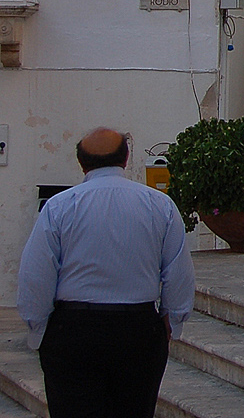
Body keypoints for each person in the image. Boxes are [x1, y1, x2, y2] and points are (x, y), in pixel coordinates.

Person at [16, 128, 195, 418]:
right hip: (137, 329)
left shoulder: (60, 207)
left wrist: (38, 327)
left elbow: (36, 274)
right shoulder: (159, 205)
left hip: (73, 329)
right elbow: (178, 271)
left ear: (82, 163)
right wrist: (171, 320)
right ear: (125, 159)